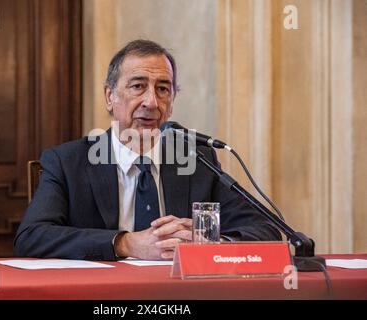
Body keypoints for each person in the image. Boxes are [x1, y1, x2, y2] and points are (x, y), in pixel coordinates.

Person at [14, 39, 281, 261]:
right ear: (110, 97)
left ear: (172, 101)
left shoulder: (196, 159)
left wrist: (209, 241)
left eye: (163, 89)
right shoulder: (68, 161)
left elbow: (266, 230)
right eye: (138, 86)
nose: (151, 102)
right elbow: (32, 237)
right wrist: (125, 243)